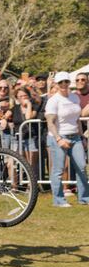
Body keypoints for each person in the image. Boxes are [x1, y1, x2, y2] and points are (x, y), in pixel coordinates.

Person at [44, 71, 89, 207]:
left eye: (66, 82)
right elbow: (50, 123)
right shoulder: (53, 100)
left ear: (70, 83)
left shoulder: (74, 97)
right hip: (58, 137)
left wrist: (82, 137)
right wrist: (58, 139)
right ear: (56, 84)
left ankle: (84, 198)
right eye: (61, 82)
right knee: (58, 170)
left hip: (75, 137)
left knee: (81, 167)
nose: (64, 84)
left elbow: (77, 119)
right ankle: (58, 200)